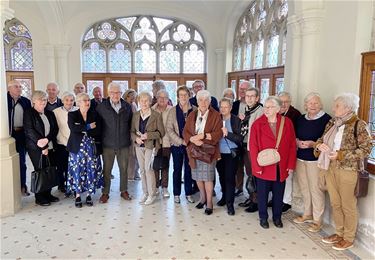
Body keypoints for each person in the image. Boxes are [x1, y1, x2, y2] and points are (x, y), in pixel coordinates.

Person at [315, 93, 372, 251]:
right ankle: (339, 233)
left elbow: (366, 149)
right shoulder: (333, 122)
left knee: (348, 205)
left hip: (348, 170)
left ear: (348, 108)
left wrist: (341, 155)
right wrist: (320, 146)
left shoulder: (359, 125)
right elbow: (321, 139)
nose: (333, 108)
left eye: (337, 105)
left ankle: (348, 238)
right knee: (335, 203)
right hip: (330, 167)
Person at [250, 96, 296, 229]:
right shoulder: (258, 124)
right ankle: (263, 217)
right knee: (263, 195)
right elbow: (253, 147)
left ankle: (277, 218)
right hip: (264, 166)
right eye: (265, 106)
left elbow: (292, 145)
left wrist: (290, 165)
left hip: (281, 166)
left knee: (278, 194)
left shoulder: (287, 123)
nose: (266, 109)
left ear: (277, 109)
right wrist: (256, 167)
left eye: (270, 107)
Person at [293, 93, 331, 232]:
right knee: (304, 187)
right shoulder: (301, 118)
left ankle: (317, 220)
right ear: (306, 105)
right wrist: (297, 141)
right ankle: (307, 214)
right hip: (300, 157)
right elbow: (294, 135)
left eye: (316, 103)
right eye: (310, 103)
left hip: (316, 160)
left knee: (316, 189)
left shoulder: (327, 119)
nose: (313, 105)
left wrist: (313, 144)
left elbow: (328, 141)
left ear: (320, 104)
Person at [183, 90, 223, 215]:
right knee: (198, 177)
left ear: (210, 102)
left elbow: (218, 133)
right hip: (194, 152)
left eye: (206, 100)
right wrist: (192, 139)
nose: (203, 102)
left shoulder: (215, 115)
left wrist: (202, 138)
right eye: (201, 100)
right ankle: (202, 198)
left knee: (208, 178)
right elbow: (185, 132)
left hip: (208, 152)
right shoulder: (192, 114)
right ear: (197, 101)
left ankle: (210, 203)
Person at [96, 82, 133, 203]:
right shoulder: (101, 106)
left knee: (124, 169)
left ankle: (124, 190)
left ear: (121, 93)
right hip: (108, 144)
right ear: (108, 93)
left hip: (123, 144)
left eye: (118, 92)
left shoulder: (127, 106)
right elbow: (98, 126)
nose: (115, 95)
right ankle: (105, 193)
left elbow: (131, 125)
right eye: (113, 92)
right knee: (107, 170)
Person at [67, 93, 103, 207]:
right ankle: (77, 195)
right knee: (78, 170)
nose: (87, 102)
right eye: (84, 100)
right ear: (78, 102)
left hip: (91, 147)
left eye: (88, 100)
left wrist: (83, 129)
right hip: (77, 148)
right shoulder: (72, 114)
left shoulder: (94, 114)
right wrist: (87, 127)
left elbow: (98, 130)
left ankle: (88, 195)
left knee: (90, 170)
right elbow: (73, 128)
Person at [24, 90, 59, 206]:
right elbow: (29, 131)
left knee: (49, 169)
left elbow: (55, 129)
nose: (43, 102)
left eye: (44, 99)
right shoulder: (29, 113)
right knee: (40, 170)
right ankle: (39, 197)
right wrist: (43, 146)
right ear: (34, 101)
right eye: (40, 100)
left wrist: (47, 140)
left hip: (50, 146)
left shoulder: (49, 113)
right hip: (35, 148)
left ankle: (48, 194)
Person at [131, 91, 165, 205]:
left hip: (151, 146)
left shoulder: (156, 115)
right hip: (138, 146)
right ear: (138, 102)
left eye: (146, 101)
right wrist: (136, 138)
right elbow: (131, 132)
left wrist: (148, 135)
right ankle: (145, 193)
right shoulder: (135, 115)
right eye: (142, 101)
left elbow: (161, 133)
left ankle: (152, 194)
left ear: (150, 102)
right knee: (142, 170)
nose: (144, 103)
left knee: (148, 169)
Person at [166, 86, 196, 204]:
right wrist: (181, 141)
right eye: (181, 95)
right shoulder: (172, 111)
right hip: (177, 145)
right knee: (177, 169)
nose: (183, 97)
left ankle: (188, 193)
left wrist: (190, 141)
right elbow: (169, 129)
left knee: (189, 169)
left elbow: (198, 127)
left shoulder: (195, 110)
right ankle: (177, 194)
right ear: (178, 97)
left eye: (185, 94)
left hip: (191, 145)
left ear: (189, 96)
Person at [273, 91, 302, 212]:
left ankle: (286, 201)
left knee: (287, 176)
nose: (284, 104)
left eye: (286, 102)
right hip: (274, 152)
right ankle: (276, 199)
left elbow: (297, 134)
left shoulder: (295, 114)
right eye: (281, 102)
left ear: (290, 102)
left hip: (288, 150)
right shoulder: (274, 112)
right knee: (276, 176)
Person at [238, 86, 264, 213]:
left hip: (254, 148)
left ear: (257, 98)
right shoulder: (246, 109)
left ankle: (256, 201)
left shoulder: (261, 111)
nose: (249, 98)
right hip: (244, 145)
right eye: (247, 96)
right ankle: (250, 197)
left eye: (252, 96)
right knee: (249, 173)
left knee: (255, 174)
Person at [216, 98, 242, 215]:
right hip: (218, 153)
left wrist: (228, 134)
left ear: (231, 108)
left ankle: (230, 204)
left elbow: (240, 139)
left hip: (231, 153)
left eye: (226, 107)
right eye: (221, 107)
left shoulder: (236, 120)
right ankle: (224, 197)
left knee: (230, 179)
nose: (223, 109)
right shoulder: (216, 119)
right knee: (221, 177)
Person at [7, 80, 32, 196]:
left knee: (22, 162)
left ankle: (22, 186)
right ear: (9, 88)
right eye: (16, 86)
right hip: (8, 136)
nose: (19, 88)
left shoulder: (25, 101)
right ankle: (9, 187)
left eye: (20, 87)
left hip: (22, 135)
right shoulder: (4, 100)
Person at [53, 92, 78, 193]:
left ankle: (72, 184)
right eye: (67, 100)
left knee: (73, 166)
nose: (69, 102)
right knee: (61, 166)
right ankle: (61, 184)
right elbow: (55, 128)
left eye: (71, 100)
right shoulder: (56, 112)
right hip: (61, 143)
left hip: (75, 143)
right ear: (62, 101)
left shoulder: (78, 110)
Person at [152, 89, 172, 197]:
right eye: (160, 97)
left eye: (165, 97)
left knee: (165, 165)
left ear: (168, 99)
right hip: (154, 143)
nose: (162, 99)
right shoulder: (152, 109)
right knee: (154, 166)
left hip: (167, 142)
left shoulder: (172, 110)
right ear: (156, 98)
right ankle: (155, 187)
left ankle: (165, 187)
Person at [123, 89, 140, 180]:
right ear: (126, 96)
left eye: (134, 96)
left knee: (136, 154)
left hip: (135, 131)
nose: (133, 97)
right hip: (127, 132)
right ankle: (130, 175)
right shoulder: (125, 105)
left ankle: (135, 173)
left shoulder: (133, 104)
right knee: (130, 155)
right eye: (131, 96)